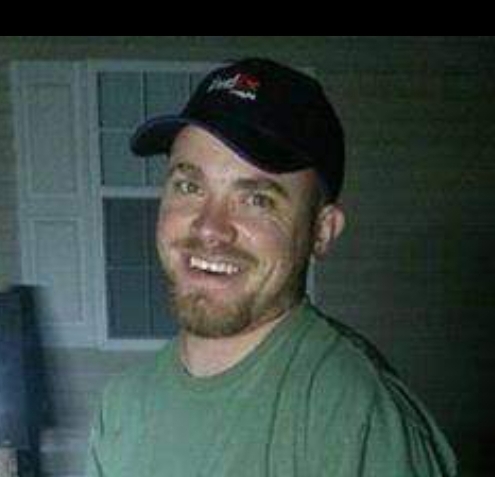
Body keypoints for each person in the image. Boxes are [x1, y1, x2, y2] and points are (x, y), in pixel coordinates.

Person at [86, 58, 457, 476]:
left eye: (256, 199)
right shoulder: (122, 406)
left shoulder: (357, 421)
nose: (210, 228)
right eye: (189, 186)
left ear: (322, 231)